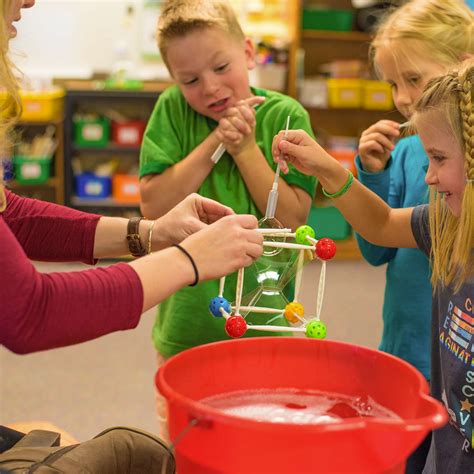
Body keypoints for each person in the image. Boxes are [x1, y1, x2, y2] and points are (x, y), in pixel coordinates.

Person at [0, 0, 263, 354]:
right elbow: (30, 312)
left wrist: (150, 234)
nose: (30, 1)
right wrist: (188, 260)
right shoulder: (172, 110)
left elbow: (11, 217)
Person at [272, 59, 474, 473]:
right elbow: (380, 223)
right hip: (448, 452)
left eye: (438, 158)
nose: (430, 178)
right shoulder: (445, 226)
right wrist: (327, 167)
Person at [139, 0, 317, 359]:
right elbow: (154, 208)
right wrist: (218, 138)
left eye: (221, 67)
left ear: (248, 52)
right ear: (175, 80)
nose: (210, 87)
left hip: (265, 326)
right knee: (182, 415)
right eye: (190, 80)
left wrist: (245, 147)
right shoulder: (172, 108)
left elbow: (292, 222)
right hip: (186, 327)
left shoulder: (286, 115)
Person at [354, 2, 473, 469]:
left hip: (454, 359)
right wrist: (371, 172)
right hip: (403, 347)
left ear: (462, 70)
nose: (402, 98)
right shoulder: (407, 151)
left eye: (414, 79)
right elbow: (376, 245)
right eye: (392, 83)